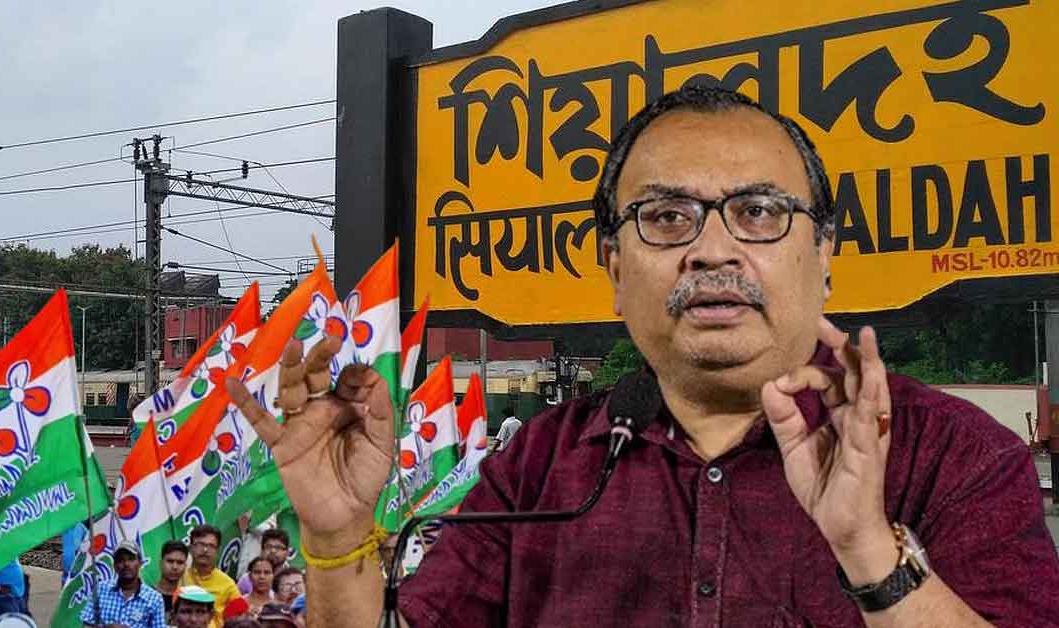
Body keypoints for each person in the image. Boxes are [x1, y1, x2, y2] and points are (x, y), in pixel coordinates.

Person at [225, 84, 1059, 627]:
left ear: (827, 250)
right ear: (616, 268)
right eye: (665, 219)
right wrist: (336, 538)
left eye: (761, 212)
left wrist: (871, 552)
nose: (711, 250)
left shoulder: (954, 454)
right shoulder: (544, 463)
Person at [80, 541, 165, 628]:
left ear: (140, 563)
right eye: (120, 560)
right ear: (114, 565)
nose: (126, 564)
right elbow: (86, 624)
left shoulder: (154, 598)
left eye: (131, 559)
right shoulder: (101, 589)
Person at [179, 525, 240, 628]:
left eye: (211, 546)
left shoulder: (228, 584)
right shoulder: (179, 577)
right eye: (200, 544)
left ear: (218, 550)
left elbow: (239, 618)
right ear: (191, 548)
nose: (205, 550)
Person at [154, 540, 189, 624]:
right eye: (170, 561)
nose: (175, 567)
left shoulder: (188, 598)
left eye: (180, 562)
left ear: (185, 567)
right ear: (160, 563)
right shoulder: (146, 596)